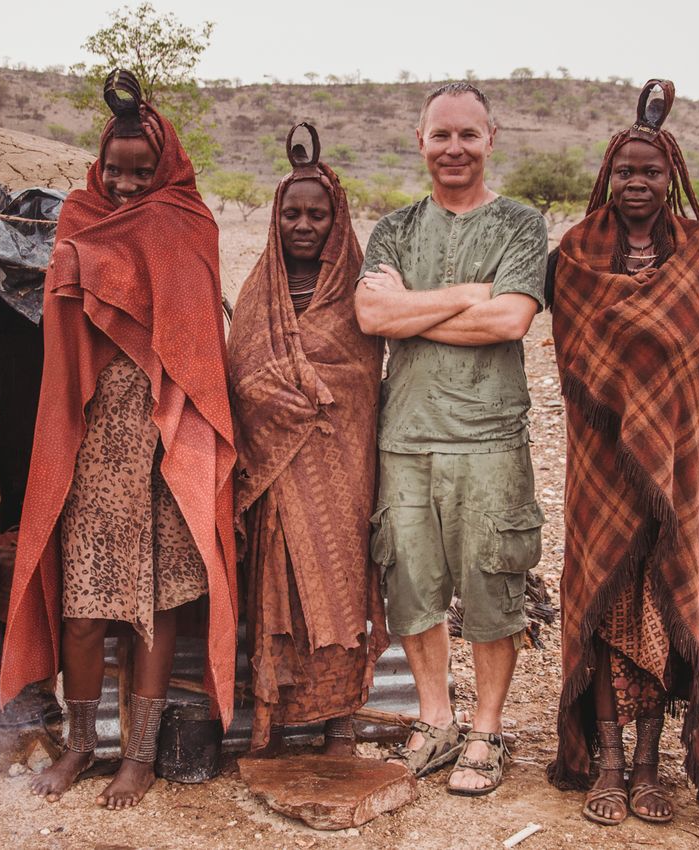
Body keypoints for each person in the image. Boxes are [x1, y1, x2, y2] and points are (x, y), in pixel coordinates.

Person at [0, 69, 237, 809]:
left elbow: (195, 341)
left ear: (167, 168)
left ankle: (138, 756)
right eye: (116, 170)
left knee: (155, 606)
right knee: (82, 605)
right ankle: (80, 744)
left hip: (163, 442)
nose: (128, 187)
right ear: (98, 166)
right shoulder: (77, 218)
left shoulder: (189, 223)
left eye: (143, 172)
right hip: (92, 440)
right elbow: (64, 323)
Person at [546, 80, 699, 827]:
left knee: (669, 609)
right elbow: (574, 355)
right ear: (608, 177)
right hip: (602, 464)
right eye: (627, 171)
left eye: (652, 172)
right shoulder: (573, 256)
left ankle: (650, 763)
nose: (638, 183)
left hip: (680, 464)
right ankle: (605, 757)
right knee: (603, 604)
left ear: (673, 180)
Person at [354, 82, 547, 796]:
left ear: (491, 140)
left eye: (469, 134)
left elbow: (509, 323)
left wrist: (411, 309)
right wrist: (469, 293)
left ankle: (487, 730)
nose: (454, 148)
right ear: (421, 140)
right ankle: (436, 720)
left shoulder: (521, 226)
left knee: (494, 586)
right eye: (442, 135)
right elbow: (370, 315)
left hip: (490, 439)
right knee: (411, 585)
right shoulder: (395, 230)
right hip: (404, 438)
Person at [227, 124, 388, 757]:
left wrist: (311, 386)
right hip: (276, 469)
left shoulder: (361, 296)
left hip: (341, 468)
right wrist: (286, 393)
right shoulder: (255, 296)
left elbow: (359, 380)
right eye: (290, 212)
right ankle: (272, 719)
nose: (303, 224)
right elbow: (240, 375)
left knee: (343, 586)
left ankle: (341, 721)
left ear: (336, 218)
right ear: (274, 218)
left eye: (316, 214)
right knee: (279, 587)